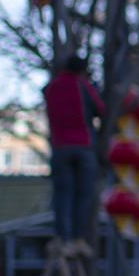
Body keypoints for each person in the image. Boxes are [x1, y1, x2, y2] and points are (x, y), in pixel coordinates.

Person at [43, 47, 104, 247]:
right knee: (83, 194)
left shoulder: (52, 88)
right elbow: (100, 109)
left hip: (60, 147)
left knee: (63, 194)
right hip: (83, 146)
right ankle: (78, 238)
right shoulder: (83, 86)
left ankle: (63, 238)